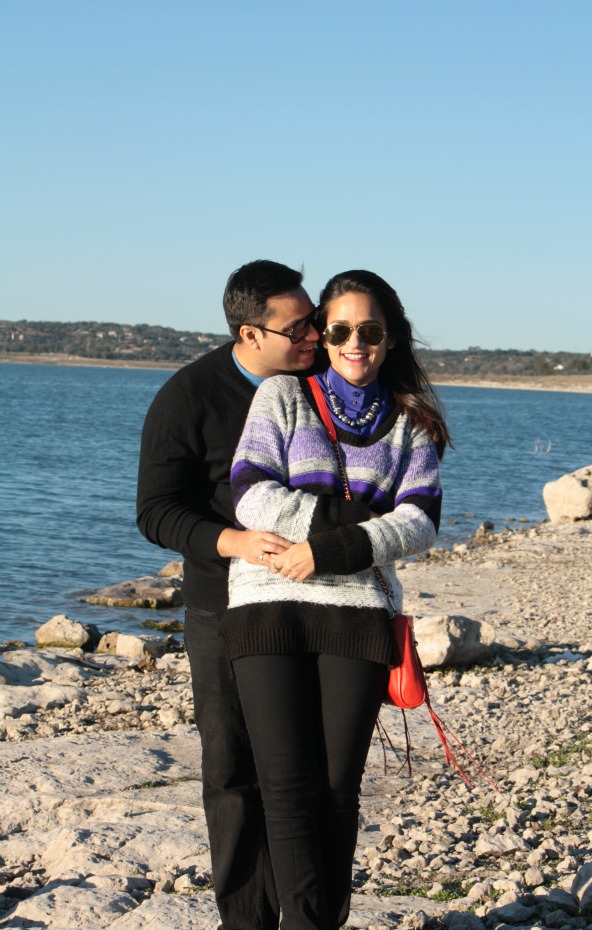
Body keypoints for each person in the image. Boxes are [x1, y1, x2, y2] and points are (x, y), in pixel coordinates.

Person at [220, 269, 450, 930]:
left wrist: (327, 550)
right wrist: (358, 525)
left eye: (370, 331)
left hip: (356, 614)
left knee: (337, 790)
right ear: (322, 334)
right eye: (340, 329)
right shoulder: (282, 395)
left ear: (390, 337)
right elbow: (252, 494)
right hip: (267, 606)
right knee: (286, 788)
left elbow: (421, 522)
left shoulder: (410, 422)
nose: (355, 343)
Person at [136, 260, 322, 930]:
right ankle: (246, 922)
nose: (314, 336)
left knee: (311, 771)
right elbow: (156, 511)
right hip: (225, 608)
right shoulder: (188, 396)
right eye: (298, 328)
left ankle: (311, 917)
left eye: (315, 321)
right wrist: (235, 542)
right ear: (250, 333)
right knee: (234, 771)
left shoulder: (323, 385)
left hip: (319, 599)